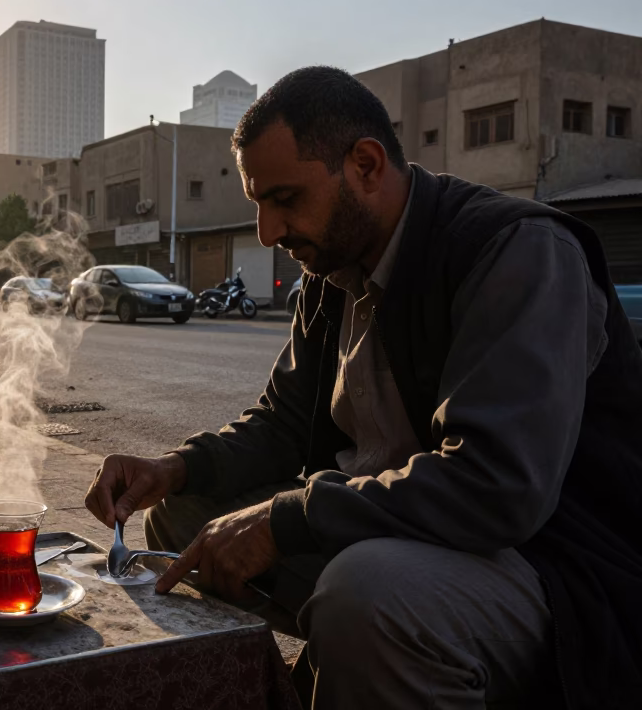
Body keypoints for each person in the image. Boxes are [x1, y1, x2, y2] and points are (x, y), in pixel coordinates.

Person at [84, 66, 642, 708]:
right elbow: (283, 423)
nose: (267, 231)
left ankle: (374, 658)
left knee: (366, 595)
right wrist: (176, 468)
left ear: (367, 165)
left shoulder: (515, 250)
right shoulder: (331, 270)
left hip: (550, 569)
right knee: (184, 517)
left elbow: (497, 487)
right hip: (392, 532)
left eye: (286, 199)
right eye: (258, 204)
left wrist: (284, 519)